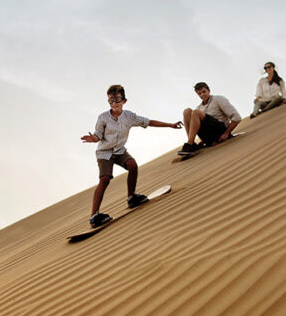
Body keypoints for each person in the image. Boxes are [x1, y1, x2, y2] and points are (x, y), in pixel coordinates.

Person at [81, 84, 182, 228]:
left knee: (132, 165)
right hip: (104, 152)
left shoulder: (129, 117)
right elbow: (98, 135)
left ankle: (131, 197)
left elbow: (148, 122)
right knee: (104, 179)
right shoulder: (103, 117)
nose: (114, 103)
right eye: (111, 101)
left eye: (117, 100)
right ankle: (94, 216)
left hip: (120, 151)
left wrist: (170, 125)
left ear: (124, 101)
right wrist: (93, 139)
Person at [179, 82, 242, 156]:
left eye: (204, 91)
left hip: (220, 131)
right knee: (187, 111)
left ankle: (189, 144)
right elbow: (197, 127)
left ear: (208, 90)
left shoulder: (218, 99)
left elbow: (237, 117)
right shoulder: (199, 107)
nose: (202, 95)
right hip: (209, 136)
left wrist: (226, 133)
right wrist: (203, 140)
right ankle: (192, 144)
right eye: (199, 93)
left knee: (195, 112)